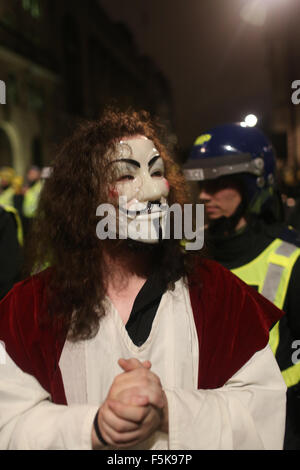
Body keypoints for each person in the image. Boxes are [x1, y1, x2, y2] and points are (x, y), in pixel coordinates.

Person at [0, 109, 287, 450]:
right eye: (126, 175)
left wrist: (171, 412)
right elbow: (9, 422)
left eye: (157, 172)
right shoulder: (30, 308)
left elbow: (262, 412)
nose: (154, 190)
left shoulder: (218, 294)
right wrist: (92, 429)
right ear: (83, 197)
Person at [183, 123, 300, 450]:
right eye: (203, 183)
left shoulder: (289, 257)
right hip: (203, 424)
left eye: (219, 183)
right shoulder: (186, 254)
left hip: (277, 425)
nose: (205, 194)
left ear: (254, 185)